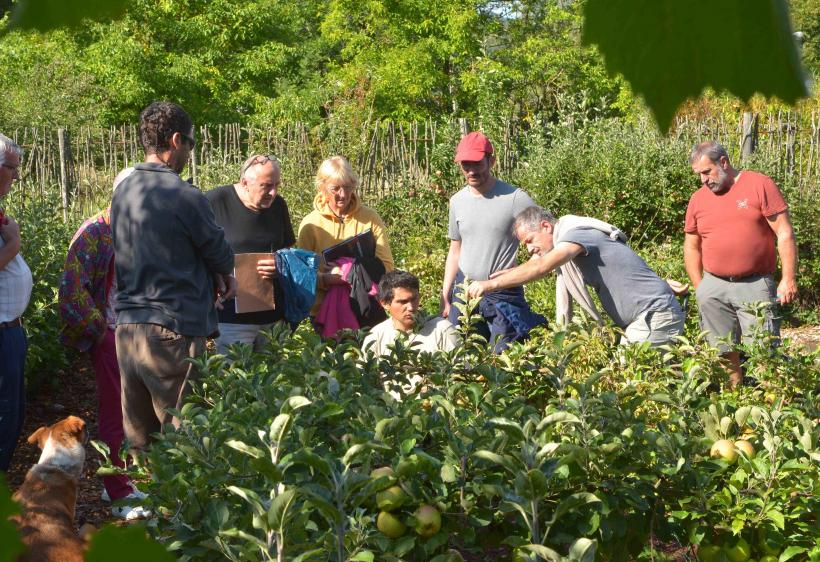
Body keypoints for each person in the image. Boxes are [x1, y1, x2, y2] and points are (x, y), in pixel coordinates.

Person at [111, 102, 236, 454]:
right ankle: (181, 511)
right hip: (170, 329)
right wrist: (223, 275)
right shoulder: (184, 194)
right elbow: (220, 252)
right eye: (190, 144)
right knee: (183, 440)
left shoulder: (124, 190)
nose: (189, 152)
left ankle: (151, 508)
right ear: (176, 140)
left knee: (142, 444)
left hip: (128, 330)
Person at [58, 167, 149, 519]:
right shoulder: (94, 232)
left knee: (133, 412)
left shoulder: (134, 230)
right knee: (116, 413)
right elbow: (70, 290)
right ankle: (119, 491)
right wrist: (98, 330)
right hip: (111, 332)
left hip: (134, 331)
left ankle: (122, 483)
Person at [467, 206, 685, 346]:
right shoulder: (572, 235)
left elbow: (541, 267)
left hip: (653, 315)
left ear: (545, 226)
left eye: (530, 241)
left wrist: (491, 284)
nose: (530, 249)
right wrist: (512, 273)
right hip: (647, 316)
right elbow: (535, 263)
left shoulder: (576, 235)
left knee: (625, 383)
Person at [684, 141, 798, 387]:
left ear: (724, 162)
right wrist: (700, 287)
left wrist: (788, 279)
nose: (704, 180)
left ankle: (772, 409)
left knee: (765, 352)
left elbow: (785, 233)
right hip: (713, 286)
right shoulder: (698, 199)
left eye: (707, 172)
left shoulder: (759, 185)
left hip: (754, 284)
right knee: (723, 351)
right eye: (699, 175)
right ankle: (734, 404)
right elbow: (692, 245)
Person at [441, 131, 545, 351]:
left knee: (505, 357)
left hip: (503, 292)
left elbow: (545, 239)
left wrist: (525, 267)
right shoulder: (457, 201)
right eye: (465, 165)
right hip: (464, 290)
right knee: (461, 354)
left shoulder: (515, 198)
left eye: (477, 164)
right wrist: (445, 295)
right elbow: (455, 249)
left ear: (492, 161)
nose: (471, 171)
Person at [205, 154, 295, 354]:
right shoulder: (215, 202)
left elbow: (288, 248)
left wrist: (280, 263)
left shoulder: (279, 205)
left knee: (277, 380)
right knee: (234, 379)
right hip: (231, 320)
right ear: (245, 182)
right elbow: (197, 252)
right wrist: (211, 286)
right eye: (266, 186)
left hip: (273, 320)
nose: (273, 193)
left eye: (277, 185)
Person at [297, 156, 394, 332]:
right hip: (323, 313)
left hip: (365, 307)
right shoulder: (310, 224)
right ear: (322, 188)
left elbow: (386, 265)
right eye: (335, 188)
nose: (343, 194)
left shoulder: (370, 218)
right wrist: (326, 280)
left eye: (348, 187)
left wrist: (352, 271)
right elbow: (301, 276)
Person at [0, 133, 31, 473]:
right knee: (4, 412)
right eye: (12, 168)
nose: (17, 177)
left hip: (10, 330)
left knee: (13, 411)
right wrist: (13, 244)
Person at [364, 270, 459, 356]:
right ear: (385, 304)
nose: (411, 307)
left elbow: (461, 372)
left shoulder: (443, 330)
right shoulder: (375, 337)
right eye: (402, 302)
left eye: (414, 299)